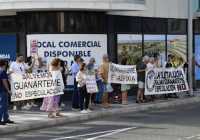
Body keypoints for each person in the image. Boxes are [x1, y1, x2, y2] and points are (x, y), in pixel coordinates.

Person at [0, 59, 14, 125]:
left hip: (2, 90)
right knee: (3, 105)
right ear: (4, 64)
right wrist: (8, 90)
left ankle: (6, 119)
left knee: (5, 105)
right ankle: (2, 119)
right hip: (3, 90)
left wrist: (8, 74)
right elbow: (4, 81)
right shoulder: (2, 71)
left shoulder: (2, 71)